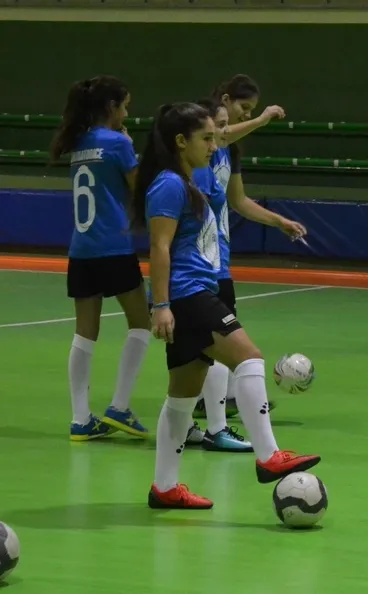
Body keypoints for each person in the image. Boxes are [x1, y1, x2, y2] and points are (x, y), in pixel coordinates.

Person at [129, 102, 320, 509]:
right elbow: (159, 247)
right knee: (249, 357)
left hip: (195, 290)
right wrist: (161, 305)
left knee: (182, 397)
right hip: (187, 294)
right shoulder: (169, 185)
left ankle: (164, 488)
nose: (214, 145)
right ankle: (268, 456)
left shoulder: (188, 180)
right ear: (181, 142)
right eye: (207, 138)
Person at [183, 95, 306, 452]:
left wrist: (278, 221)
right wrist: (263, 119)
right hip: (202, 268)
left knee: (196, 354)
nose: (223, 134)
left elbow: (239, 201)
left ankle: (191, 426)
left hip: (216, 262)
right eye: (217, 128)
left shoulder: (222, 157)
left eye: (225, 127)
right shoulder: (190, 172)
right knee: (222, 348)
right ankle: (221, 428)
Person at [49, 75, 151, 442]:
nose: (127, 114)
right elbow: (140, 189)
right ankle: (119, 406)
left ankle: (81, 419)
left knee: (84, 334)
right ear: (111, 107)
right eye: (125, 107)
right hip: (114, 247)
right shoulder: (117, 143)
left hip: (81, 250)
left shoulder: (78, 142)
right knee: (141, 324)